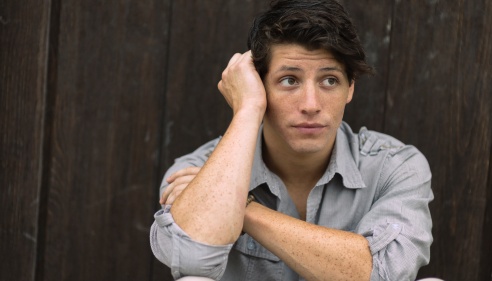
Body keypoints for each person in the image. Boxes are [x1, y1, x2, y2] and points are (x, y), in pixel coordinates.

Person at [150, 0, 434, 280]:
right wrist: (247, 110)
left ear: (350, 89)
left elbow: (385, 273)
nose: (310, 104)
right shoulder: (199, 168)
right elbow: (189, 259)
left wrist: (244, 208)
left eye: (330, 80)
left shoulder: (395, 166)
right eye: (289, 80)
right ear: (259, 88)